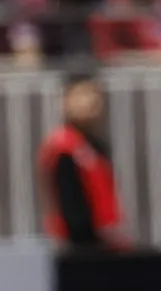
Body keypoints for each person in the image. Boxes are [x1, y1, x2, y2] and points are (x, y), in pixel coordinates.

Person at [36, 73, 130, 251]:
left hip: (105, 240)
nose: (89, 102)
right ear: (65, 101)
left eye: (94, 95)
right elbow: (68, 204)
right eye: (81, 95)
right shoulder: (62, 148)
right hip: (78, 245)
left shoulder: (96, 145)